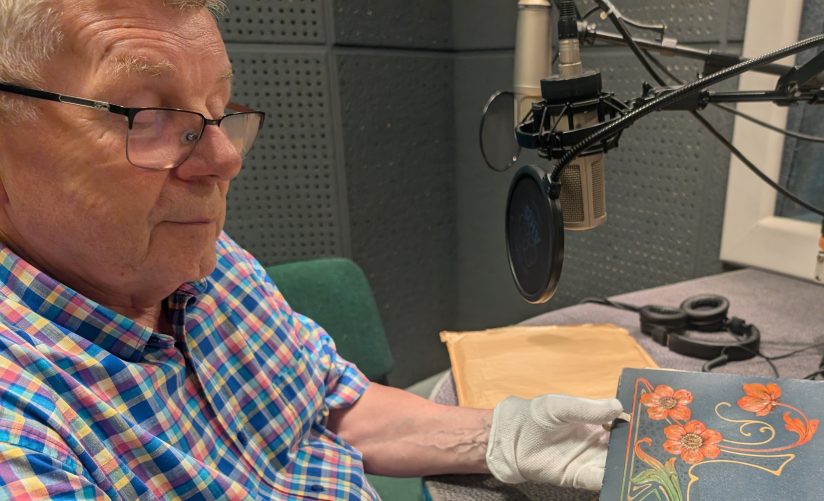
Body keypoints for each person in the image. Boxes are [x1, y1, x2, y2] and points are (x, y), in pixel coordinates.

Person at [0, 0, 625, 499]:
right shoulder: (23, 435)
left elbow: (332, 406)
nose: (224, 159)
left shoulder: (213, 266)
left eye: (217, 110)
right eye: (145, 114)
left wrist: (503, 436)